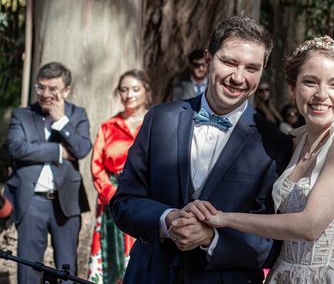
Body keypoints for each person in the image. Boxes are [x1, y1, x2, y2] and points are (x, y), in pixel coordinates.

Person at [175, 35, 334, 282]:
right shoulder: (294, 141)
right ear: (293, 89)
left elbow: (310, 225)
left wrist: (223, 218)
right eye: (310, 82)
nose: (321, 94)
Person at [111, 16, 292, 284]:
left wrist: (211, 238)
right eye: (229, 62)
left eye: (251, 68)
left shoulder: (274, 144)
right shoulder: (159, 119)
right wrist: (168, 219)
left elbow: (270, 243)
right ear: (208, 60)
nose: (238, 77)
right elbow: (124, 202)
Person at [6, 62, 92, 284]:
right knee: (28, 267)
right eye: (41, 87)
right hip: (31, 200)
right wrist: (59, 151)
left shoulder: (77, 114)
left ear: (66, 90)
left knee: (67, 267)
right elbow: (16, 149)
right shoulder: (22, 114)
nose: (45, 94)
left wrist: (61, 121)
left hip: (66, 200)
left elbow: (82, 149)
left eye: (53, 89)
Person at [88, 69, 152, 283]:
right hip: (112, 200)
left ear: (146, 91)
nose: (129, 95)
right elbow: (96, 166)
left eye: (135, 89)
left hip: (148, 199)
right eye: (124, 90)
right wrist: (113, 195)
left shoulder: (157, 123)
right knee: (111, 265)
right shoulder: (107, 127)